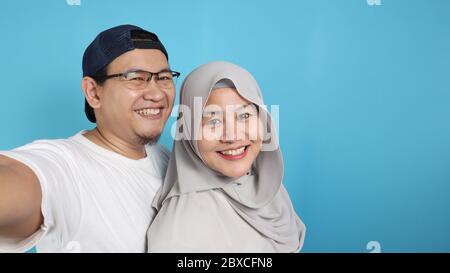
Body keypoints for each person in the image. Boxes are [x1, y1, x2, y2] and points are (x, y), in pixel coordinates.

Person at [0, 24, 180, 252]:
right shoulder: (64, 166)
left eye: (163, 77)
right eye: (135, 78)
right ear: (94, 92)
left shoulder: (166, 160)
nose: (156, 94)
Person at [147, 61, 306, 252]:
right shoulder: (181, 225)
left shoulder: (268, 188)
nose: (232, 136)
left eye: (244, 116)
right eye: (213, 120)